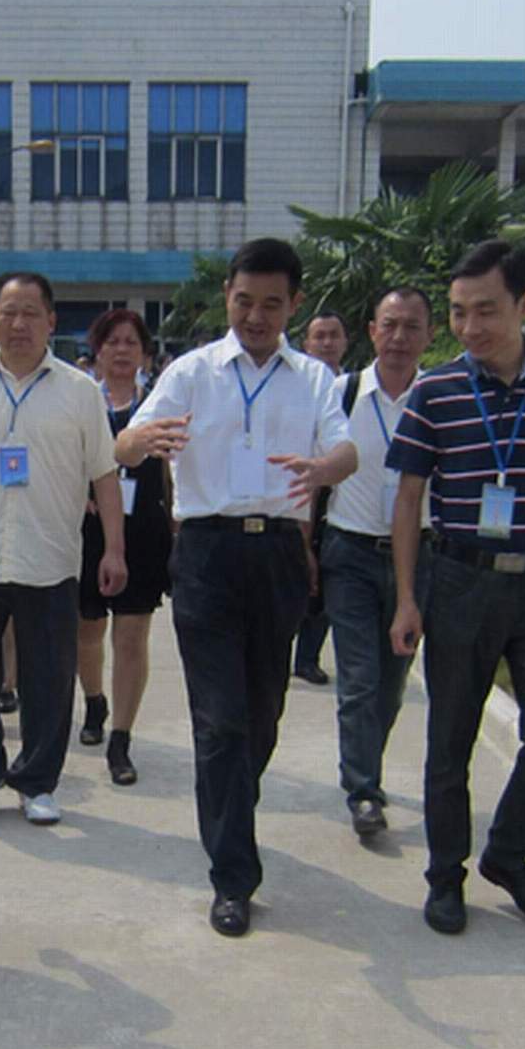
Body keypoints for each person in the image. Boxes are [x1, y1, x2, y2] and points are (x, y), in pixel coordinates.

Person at [121, 238, 355, 937]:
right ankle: (233, 876)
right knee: (220, 720)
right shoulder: (191, 372)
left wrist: (324, 470)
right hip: (206, 554)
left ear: (294, 304)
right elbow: (123, 443)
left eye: (271, 304)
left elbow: (347, 449)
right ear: (227, 295)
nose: (256, 316)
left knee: (261, 714)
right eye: (244, 301)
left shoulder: (312, 378)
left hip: (279, 553)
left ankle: (229, 804)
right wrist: (145, 441)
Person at [388, 239, 525, 936]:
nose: (470, 326)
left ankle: (508, 855)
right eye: (458, 312)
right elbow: (408, 497)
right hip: (459, 582)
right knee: (450, 739)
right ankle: (444, 875)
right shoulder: (435, 391)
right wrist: (407, 596)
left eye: (486, 310)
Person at [0, 272, 125, 827]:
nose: (17, 324)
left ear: (51, 322)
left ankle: (37, 782)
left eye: (30, 312)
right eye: (7, 312)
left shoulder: (80, 392)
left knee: (48, 681)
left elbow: (105, 476)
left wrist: (114, 549)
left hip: (50, 560)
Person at [322, 287, 432, 837]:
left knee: (390, 684)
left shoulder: (439, 398)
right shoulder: (341, 394)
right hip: (351, 553)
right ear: (371, 331)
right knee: (359, 679)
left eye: (412, 327)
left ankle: (368, 766)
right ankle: (363, 790)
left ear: (429, 336)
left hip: (420, 557)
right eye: (389, 325)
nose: (399, 337)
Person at [75, 308, 172, 787]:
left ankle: (121, 738)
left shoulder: (158, 406)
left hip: (144, 532)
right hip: (87, 531)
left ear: (145, 354)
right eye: (111, 341)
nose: (121, 350)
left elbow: (174, 473)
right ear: (96, 351)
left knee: (132, 636)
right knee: (87, 630)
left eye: (131, 342)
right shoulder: (79, 403)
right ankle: (94, 701)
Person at [292, 307, 349, 687]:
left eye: (333, 335)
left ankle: (308, 657)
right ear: (307, 343)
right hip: (300, 495)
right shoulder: (298, 388)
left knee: (325, 585)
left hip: (342, 499)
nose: (327, 343)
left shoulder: (353, 389)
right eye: (319, 336)